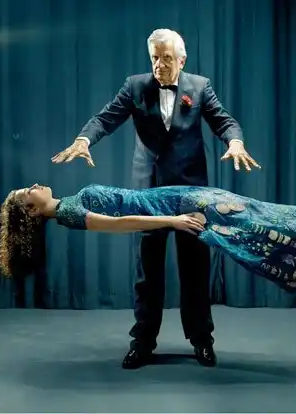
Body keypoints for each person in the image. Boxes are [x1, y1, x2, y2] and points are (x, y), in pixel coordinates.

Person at [50, 28, 261, 369]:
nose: (159, 65)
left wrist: (235, 142)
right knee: (147, 271)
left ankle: (202, 340)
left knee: (195, 267)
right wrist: (84, 140)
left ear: (182, 60)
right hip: (148, 192)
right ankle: (143, 342)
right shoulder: (135, 86)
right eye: (154, 58)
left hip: (191, 193)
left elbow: (225, 122)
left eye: (166, 59)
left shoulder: (200, 87)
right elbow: (105, 118)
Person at [0, 183, 296, 362]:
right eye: (28, 193)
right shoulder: (69, 213)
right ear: (31, 212)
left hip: (172, 197)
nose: (35, 186)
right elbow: (123, 224)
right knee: (246, 216)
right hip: (173, 205)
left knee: (246, 218)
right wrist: (172, 220)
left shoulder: (69, 204)